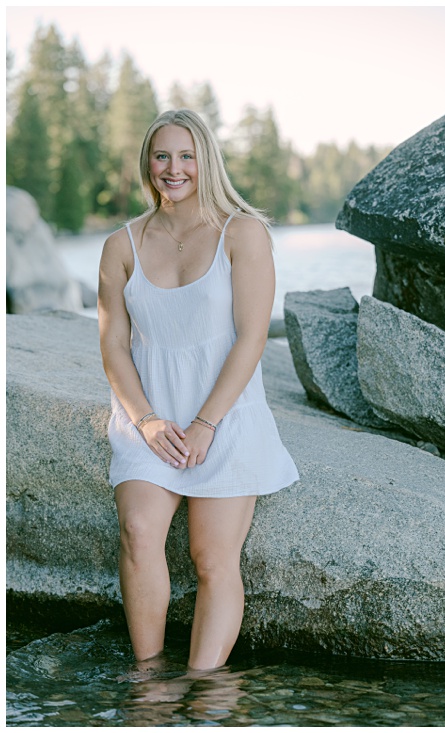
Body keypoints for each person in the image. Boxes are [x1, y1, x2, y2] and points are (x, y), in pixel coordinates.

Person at [98, 109, 299, 672]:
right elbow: (113, 345)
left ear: (206, 160)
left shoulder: (243, 232)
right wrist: (146, 420)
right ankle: (151, 682)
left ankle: (205, 691)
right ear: (148, 163)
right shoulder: (121, 245)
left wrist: (207, 424)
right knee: (138, 531)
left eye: (186, 156)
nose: (173, 168)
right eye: (162, 155)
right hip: (150, 418)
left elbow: (253, 337)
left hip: (227, 416)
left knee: (211, 558)